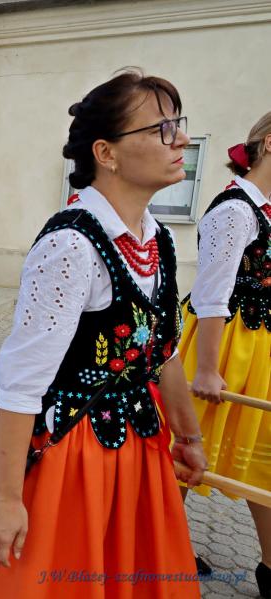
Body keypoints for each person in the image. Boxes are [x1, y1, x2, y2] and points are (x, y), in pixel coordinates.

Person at [0, 71, 208, 598]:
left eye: (178, 124)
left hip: (139, 450)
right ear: (106, 153)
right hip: (73, 458)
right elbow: (21, 384)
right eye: (162, 128)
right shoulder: (71, 245)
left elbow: (162, 351)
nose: (181, 139)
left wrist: (188, 437)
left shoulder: (157, 239)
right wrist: (6, 498)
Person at [179, 111, 271, 594]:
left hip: (261, 349)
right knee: (183, 453)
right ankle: (158, 543)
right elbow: (212, 295)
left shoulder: (266, 210)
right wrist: (208, 369)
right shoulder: (235, 210)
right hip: (222, 345)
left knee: (265, 462)